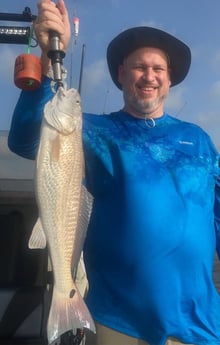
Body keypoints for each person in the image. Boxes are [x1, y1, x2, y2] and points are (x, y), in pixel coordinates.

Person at [8, 1, 220, 345]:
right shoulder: (92, 131)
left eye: (158, 69)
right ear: (121, 74)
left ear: (169, 79)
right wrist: (49, 57)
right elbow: (26, 140)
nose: (149, 75)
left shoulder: (198, 139)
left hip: (198, 322)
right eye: (139, 67)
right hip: (116, 319)